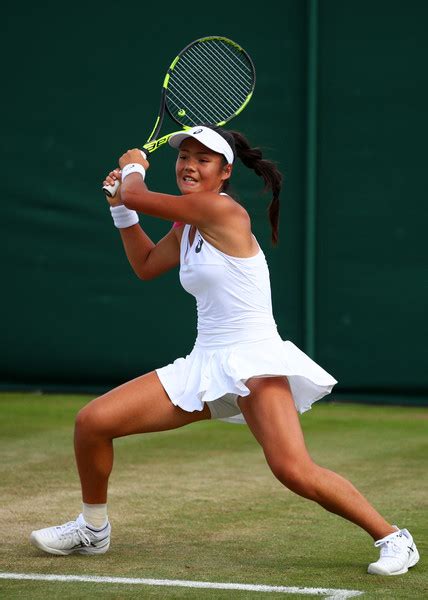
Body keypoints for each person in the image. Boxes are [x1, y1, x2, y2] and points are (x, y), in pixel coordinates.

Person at [30, 125, 419, 576]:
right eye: (184, 157)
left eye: (203, 159)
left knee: (293, 469)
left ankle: (393, 537)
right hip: (205, 363)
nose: (189, 165)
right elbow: (146, 265)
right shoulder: (188, 226)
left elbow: (138, 193)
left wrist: (133, 167)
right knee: (93, 423)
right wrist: (122, 213)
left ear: (224, 171)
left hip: (254, 360)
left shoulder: (222, 212)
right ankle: (93, 529)